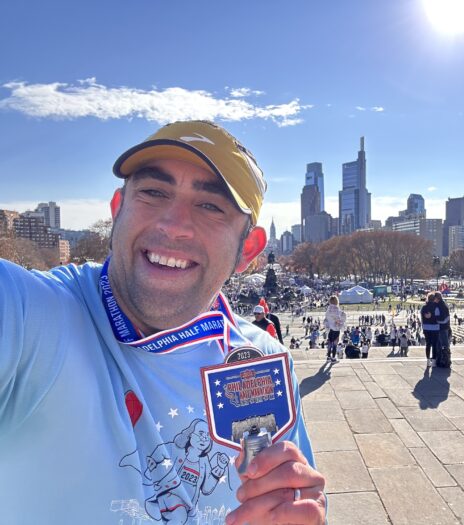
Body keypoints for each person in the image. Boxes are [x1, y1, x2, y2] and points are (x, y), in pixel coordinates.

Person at [0, 120, 325, 524]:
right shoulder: (34, 313)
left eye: (210, 206)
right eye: (154, 192)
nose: (173, 224)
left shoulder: (262, 360)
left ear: (249, 251)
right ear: (118, 211)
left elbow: (285, 495)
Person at [323, 295, 346, 362]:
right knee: (335, 343)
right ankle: (333, 357)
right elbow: (342, 317)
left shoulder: (328, 309)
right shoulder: (337, 309)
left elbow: (326, 319)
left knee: (330, 342)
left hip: (330, 328)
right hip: (336, 329)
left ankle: (328, 357)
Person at [421, 292, 439, 367]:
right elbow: (438, 318)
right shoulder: (436, 307)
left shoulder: (423, 307)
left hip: (426, 328)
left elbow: (422, 318)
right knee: (434, 345)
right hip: (435, 328)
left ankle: (428, 361)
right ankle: (434, 361)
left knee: (428, 344)